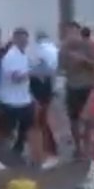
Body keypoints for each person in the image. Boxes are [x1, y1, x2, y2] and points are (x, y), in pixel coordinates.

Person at [60, 22, 94, 158]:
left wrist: (83, 60)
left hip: (88, 86)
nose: (71, 35)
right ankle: (78, 147)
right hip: (72, 86)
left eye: (73, 32)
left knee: (89, 119)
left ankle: (87, 146)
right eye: (68, 32)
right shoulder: (64, 49)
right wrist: (69, 61)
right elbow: (61, 67)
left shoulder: (88, 45)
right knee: (73, 118)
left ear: (79, 32)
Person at [0, 28, 33, 159]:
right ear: (15, 39)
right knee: (7, 129)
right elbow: (14, 78)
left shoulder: (24, 55)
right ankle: (1, 152)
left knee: (26, 125)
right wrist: (32, 73)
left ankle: (18, 148)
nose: (25, 42)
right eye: (22, 39)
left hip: (24, 99)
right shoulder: (10, 57)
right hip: (11, 100)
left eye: (26, 39)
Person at [30, 30, 59, 169]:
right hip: (49, 90)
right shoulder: (54, 49)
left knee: (40, 124)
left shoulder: (39, 51)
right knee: (43, 122)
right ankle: (48, 152)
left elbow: (40, 70)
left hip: (40, 91)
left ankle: (47, 153)